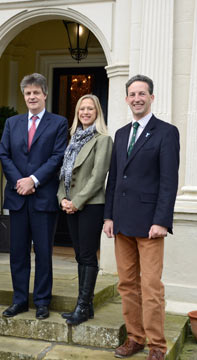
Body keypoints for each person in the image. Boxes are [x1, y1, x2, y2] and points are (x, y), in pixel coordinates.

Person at [103, 75, 180, 360]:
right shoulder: (121, 134)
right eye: (132, 94)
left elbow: (168, 181)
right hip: (122, 222)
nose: (137, 98)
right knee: (126, 284)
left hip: (150, 225)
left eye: (142, 93)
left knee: (151, 286)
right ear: (126, 99)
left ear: (151, 97)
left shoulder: (166, 132)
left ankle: (156, 346)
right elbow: (114, 178)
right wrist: (108, 215)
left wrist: (161, 220)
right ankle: (135, 337)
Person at [0, 73, 68, 320]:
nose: (31, 97)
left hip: (43, 199)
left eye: (36, 92)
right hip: (18, 197)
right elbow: (4, 154)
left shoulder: (59, 123)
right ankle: (19, 300)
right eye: (28, 93)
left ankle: (41, 301)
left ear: (45, 95)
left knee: (43, 253)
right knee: (17, 253)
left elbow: (57, 157)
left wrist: (34, 180)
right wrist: (21, 181)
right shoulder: (12, 123)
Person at [57, 94, 113, 326]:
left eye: (90, 109)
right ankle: (86, 306)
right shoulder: (73, 139)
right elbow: (64, 174)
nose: (86, 112)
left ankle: (81, 306)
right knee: (80, 254)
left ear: (97, 112)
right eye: (82, 108)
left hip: (90, 205)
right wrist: (62, 199)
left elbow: (97, 177)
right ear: (77, 112)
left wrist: (76, 201)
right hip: (70, 205)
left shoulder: (103, 140)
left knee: (88, 255)